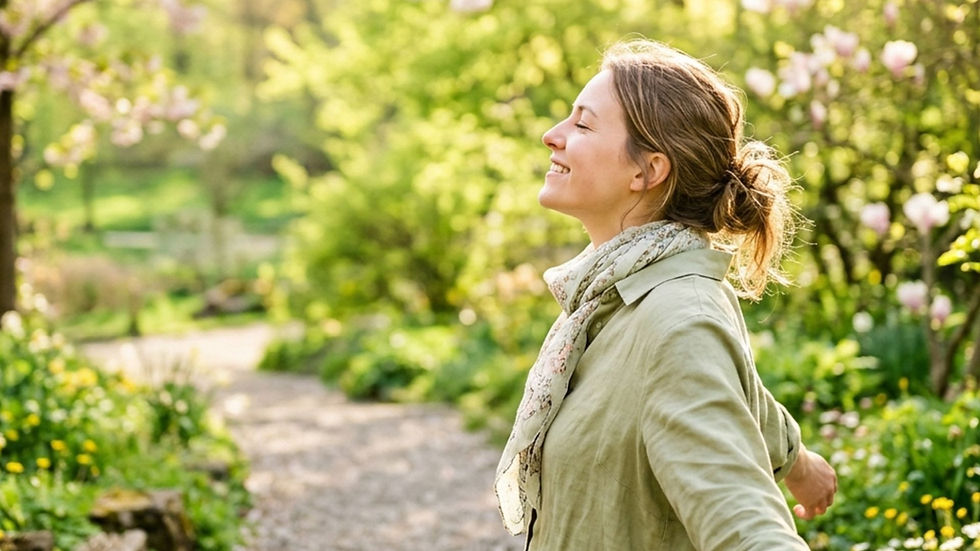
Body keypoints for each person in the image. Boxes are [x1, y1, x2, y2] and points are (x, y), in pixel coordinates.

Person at [493, 39, 837, 550]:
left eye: (583, 124)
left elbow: (747, 529)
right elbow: (711, 388)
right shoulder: (622, 295)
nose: (552, 136)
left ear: (648, 171)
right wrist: (798, 462)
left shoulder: (678, 314)